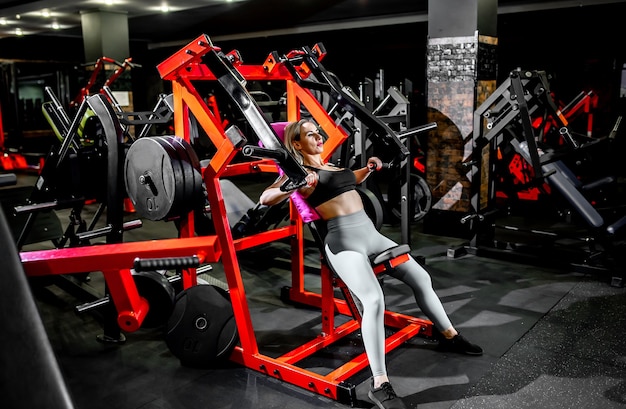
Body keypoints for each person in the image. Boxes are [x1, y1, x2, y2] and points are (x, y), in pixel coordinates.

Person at [260, 119, 482, 409]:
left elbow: (353, 179)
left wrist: (370, 167)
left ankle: (449, 335)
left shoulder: (333, 168)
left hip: (371, 234)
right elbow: (266, 198)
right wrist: (293, 185)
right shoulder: (302, 173)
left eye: (318, 131)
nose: (318, 135)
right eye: (310, 133)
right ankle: (380, 384)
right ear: (297, 143)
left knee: (421, 278)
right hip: (343, 242)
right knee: (374, 299)